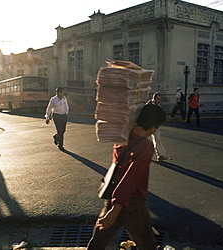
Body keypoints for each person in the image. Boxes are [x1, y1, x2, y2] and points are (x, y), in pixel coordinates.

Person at [87, 104, 166, 250]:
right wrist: (116, 210)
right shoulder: (146, 147)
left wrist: (113, 208)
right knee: (146, 242)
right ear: (154, 127)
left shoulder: (122, 136)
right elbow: (130, 179)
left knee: (99, 240)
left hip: (112, 198)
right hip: (132, 203)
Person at [147, 92, 171, 162]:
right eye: (158, 99)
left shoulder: (158, 106)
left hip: (155, 126)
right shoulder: (148, 106)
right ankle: (140, 155)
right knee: (144, 141)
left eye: (160, 99)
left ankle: (160, 155)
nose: (159, 101)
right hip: (147, 126)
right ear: (154, 99)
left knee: (157, 140)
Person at [45, 87, 69, 151]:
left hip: (63, 116)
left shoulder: (64, 98)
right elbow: (49, 108)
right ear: (59, 93)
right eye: (62, 92)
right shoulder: (53, 99)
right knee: (60, 130)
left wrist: (66, 113)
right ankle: (60, 145)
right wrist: (47, 117)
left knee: (63, 130)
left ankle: (56, 136)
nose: (64, 93)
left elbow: (66, 106)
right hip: (56, 116)